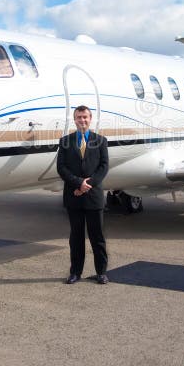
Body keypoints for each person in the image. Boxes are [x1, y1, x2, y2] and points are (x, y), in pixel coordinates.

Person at [56, 105, 110, 284]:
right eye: (79, 117)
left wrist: (87, 184)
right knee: (76, 238)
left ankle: (101, 272)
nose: (82, 120)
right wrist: (78, 183)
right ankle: (75, 273)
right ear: (75, 119)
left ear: (90, 118)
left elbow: (103, 167)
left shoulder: (101, 141)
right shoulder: (65, 141)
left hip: (93, 197)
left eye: (85, 117)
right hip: (74, 196)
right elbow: (61, 168)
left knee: (98, 238)